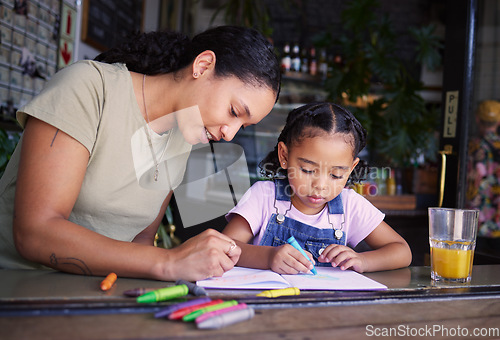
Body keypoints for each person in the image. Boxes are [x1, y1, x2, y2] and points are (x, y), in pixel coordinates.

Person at [0, 25, 281, 281]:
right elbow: (35, 233)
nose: (229, 134)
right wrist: (169, 261)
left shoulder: (184, 137)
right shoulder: (88, 88)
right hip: (21, 286)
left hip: (102, 291)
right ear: (203, 65)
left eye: (243, 126)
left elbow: (141, 241)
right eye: (234, 112)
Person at [222, 102, 412, 274]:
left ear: (351, 168)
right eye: (307, 170)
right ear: (284, 156)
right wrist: (269, 257)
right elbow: (225, 248)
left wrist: (364, 260)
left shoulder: (350, 205)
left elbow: (401, 251)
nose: (320, 186)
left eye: (336, 175)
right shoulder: (264, 196)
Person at [466, 100, 500, 257]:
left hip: (476, 223)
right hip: (497, 224)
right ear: (498, 121)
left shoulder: (473, 145)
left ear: (477, 119)